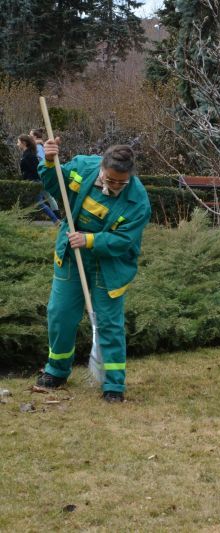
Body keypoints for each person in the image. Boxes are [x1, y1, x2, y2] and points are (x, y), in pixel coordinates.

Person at [35, 141, 152, 402]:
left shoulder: (138, 201)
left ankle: (113, 385)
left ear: (130, 177)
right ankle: (56, 370)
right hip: (71, 256)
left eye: (121, 183)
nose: (114, 187)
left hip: (109, 266)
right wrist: (51, 162)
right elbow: (56, 185)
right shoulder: (82, 167)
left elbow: (125, 241)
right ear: (101, 167)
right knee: (60, 313)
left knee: (108, 324)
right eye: (110, 180)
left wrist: (90, 240)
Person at [17, 134, 60, 224]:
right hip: (32, 181)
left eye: (18, 142)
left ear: (24, 143)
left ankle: (56, 220)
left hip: (35, 181)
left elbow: (36, 169)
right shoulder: (27, 154)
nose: (17, 144)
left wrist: (36, 181)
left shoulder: (29, 155)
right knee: (42, 200)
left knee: (40, 202)